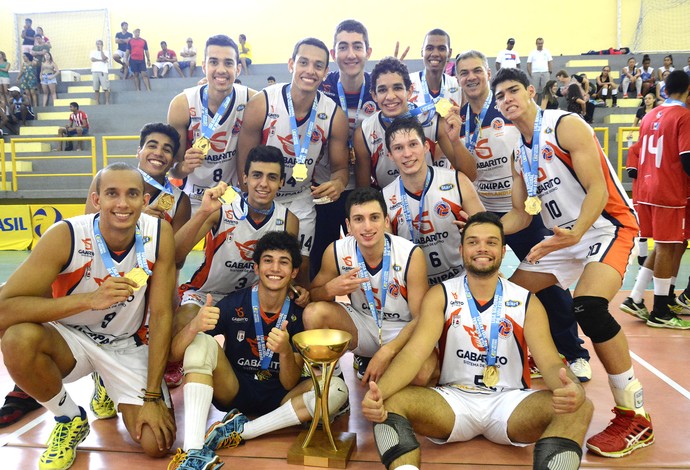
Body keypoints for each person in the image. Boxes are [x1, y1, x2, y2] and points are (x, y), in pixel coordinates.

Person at [493, 67, 653, 457]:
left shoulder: (565, 125)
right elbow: (520, 214)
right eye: (500, 96)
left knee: (589, 306)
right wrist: (480, 227)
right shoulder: (517, 150)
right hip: (564, 238)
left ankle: (635, 417)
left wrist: (577, 233)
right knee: (507, 299)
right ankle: (504, 382)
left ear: (531, 91)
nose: (507, 99)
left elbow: (598, 188)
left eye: (513, 90)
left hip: (604, 226)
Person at [361, 211, 594, 470]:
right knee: (389, 401)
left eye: (491, 242)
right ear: (461, 249)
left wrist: (571, 388)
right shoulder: (442, 295)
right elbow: (414, 354)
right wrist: (378, 394)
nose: (482, 248)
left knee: (581, 406)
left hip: (510, 402)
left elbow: (550, 363)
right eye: (473, 242)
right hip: (452, 400)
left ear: (503, 251)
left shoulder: (527, 301)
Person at [0, 162, 176, 469]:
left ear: (144, 201)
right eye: (112, 194)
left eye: (132, 194)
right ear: (96, 199)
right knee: (18, 339)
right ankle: (69, 417)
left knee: (156, 443)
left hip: (126, 343)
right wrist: (89, 301)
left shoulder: (158, 234)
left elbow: (161, 315)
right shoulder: (65, 235)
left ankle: (107, 382)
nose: (122, 203)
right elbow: (4, 309)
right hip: (71, 340)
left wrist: (151, 398)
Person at [455, 50, 591, 381]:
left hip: (528, 207)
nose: (471, 77)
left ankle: (574, 352)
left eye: (477, 70)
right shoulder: (456, 118)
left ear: (488, 73)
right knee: (488, 282)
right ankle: (507, 351)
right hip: (484, 212)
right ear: (457, 79)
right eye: (463, 73)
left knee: (549, 280)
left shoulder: (508, 108)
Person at [168, 230, 344, 469]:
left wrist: (283, 351)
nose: (275, 268)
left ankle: (243, 431)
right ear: (256, 267)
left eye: (284, 262)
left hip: (281, 398)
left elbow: (290, 381)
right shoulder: (233, 304)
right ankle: (193, 452)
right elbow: (174, 356)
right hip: (234, 391)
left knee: (336, 389)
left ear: (294, 272)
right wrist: (194, 327)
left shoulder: (301, 314)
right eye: (268, 260)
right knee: (199, 343)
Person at [236, 37, 350, 284]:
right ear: (291, 64)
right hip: (261, 196)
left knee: (300, 268)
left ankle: (297, 321)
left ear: (326, 72)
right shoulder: (262, 103)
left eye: (318, 65)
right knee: (250, 265)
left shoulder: (333, 114)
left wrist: (338, 184)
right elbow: (243, 162)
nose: (310, 71)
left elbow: (341, 169)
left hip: (300, 197)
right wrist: (252, 198)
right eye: (304, 62)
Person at [304, 187, 436, 385]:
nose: (367, 227)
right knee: (314, 313)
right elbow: (312, 296)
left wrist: (388, 351)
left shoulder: (410, 254)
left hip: (402, 329)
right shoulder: (336, 251)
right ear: (348, 225)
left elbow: (420, 318)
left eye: (374, 217)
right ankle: (334, 385)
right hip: (363, 325)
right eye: (358, 219)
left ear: (385, 221)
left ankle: (389, 385)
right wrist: (330, 289)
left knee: (423, 373)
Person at [619, 70, 690, 329]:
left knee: (664, 246)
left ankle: (637, 297)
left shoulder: (650, 115)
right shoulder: (683, 116)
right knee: (668, 246)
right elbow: (686, 158)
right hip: (668, 190)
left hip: (647, 190)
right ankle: (660, 310)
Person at [382, 116, 484, 286]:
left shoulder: (457, 181)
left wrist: (475, 229)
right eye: (398, 148)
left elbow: (488, 231)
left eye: (413, 144)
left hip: (463, 279)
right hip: (418, 287)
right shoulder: (385, 198)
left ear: (426, 146)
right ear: (390, 155)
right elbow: (388, 254)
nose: (407, 154)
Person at [312, 19, 377, 278]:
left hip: (367, 187)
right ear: (333, 53)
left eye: (357, 47)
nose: (351, 54)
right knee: (319, 259)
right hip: (326, 188)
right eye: (343, 47)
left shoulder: (380, 88)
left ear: (368, 52)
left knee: (368, 260)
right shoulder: (318, 86)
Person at [354, 56, 475, 190]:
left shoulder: (432, 117)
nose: (390, 96)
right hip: (391, 204)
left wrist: (455, 141)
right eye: (382, 90)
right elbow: (363, 193)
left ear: (410, 91)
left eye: (397, 88)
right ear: (374, 95)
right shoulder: (364, 132)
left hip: (431, 197)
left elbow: (470, 175)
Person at [168, 34, 256, 212]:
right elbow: (173, 170)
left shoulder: (252, 100)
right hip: (193, 199)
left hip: (231, 197)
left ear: (238, 69)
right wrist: (184, 166)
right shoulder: (182, 104)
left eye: (228, 63)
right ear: (204, 66)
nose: (221, 69)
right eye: (214, 62)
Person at [409, 29, 461, 108]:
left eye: (441, 49)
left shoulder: (457, 85)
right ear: (422, 52)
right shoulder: (407, 83)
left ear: (449, 53)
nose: (435, 54)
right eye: (429, 48)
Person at [526, 37, 552, 103]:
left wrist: (550, 71)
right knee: (534, 91)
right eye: (539, 43)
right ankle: (534, 106)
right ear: (536, 44)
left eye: (541, 43)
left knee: (546, 91)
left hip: (545, 72)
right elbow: (529, 63)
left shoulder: (547, 51)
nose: (540, 45)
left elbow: (550, 61)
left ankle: (545, 106)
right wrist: (530, 73)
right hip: (535, 73)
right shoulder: (532, 52)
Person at [90, 39, 111, 105]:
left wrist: (101, 50)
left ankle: (107, 101)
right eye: (97, 44)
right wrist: (100, 60)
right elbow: (92, 59)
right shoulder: (93, 52)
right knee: (96, 88)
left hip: (103, 71)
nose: (99, 45)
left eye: (100, 44)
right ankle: (97, 101)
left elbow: (104, 58)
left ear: (102, 45)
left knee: (105, 87)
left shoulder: (106, 52)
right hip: (95, 71)